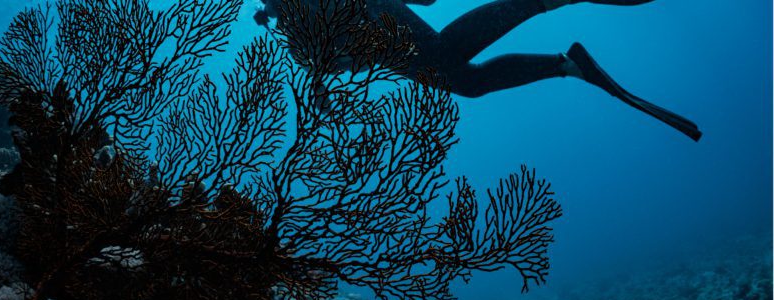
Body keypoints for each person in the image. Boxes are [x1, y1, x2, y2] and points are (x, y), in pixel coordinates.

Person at [254, 0, 702, 141]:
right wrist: (320, 83)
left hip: (382, 19)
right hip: (390, 51)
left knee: (449, 59)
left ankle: (546, 3)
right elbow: (330, 62)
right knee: (465, 82)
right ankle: (567, 66)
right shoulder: (298, 40)